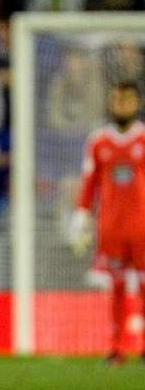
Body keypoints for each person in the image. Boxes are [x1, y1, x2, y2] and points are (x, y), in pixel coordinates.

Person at [70, 81, 145, 365]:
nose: (121, 105)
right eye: (117, 99)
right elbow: (90, 182)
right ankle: (116, 348)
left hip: (142, 228)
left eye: (126, 100)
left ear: (137, 103)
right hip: (111, 228)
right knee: (115, 288)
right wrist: (81, 213)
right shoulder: (99, 141)